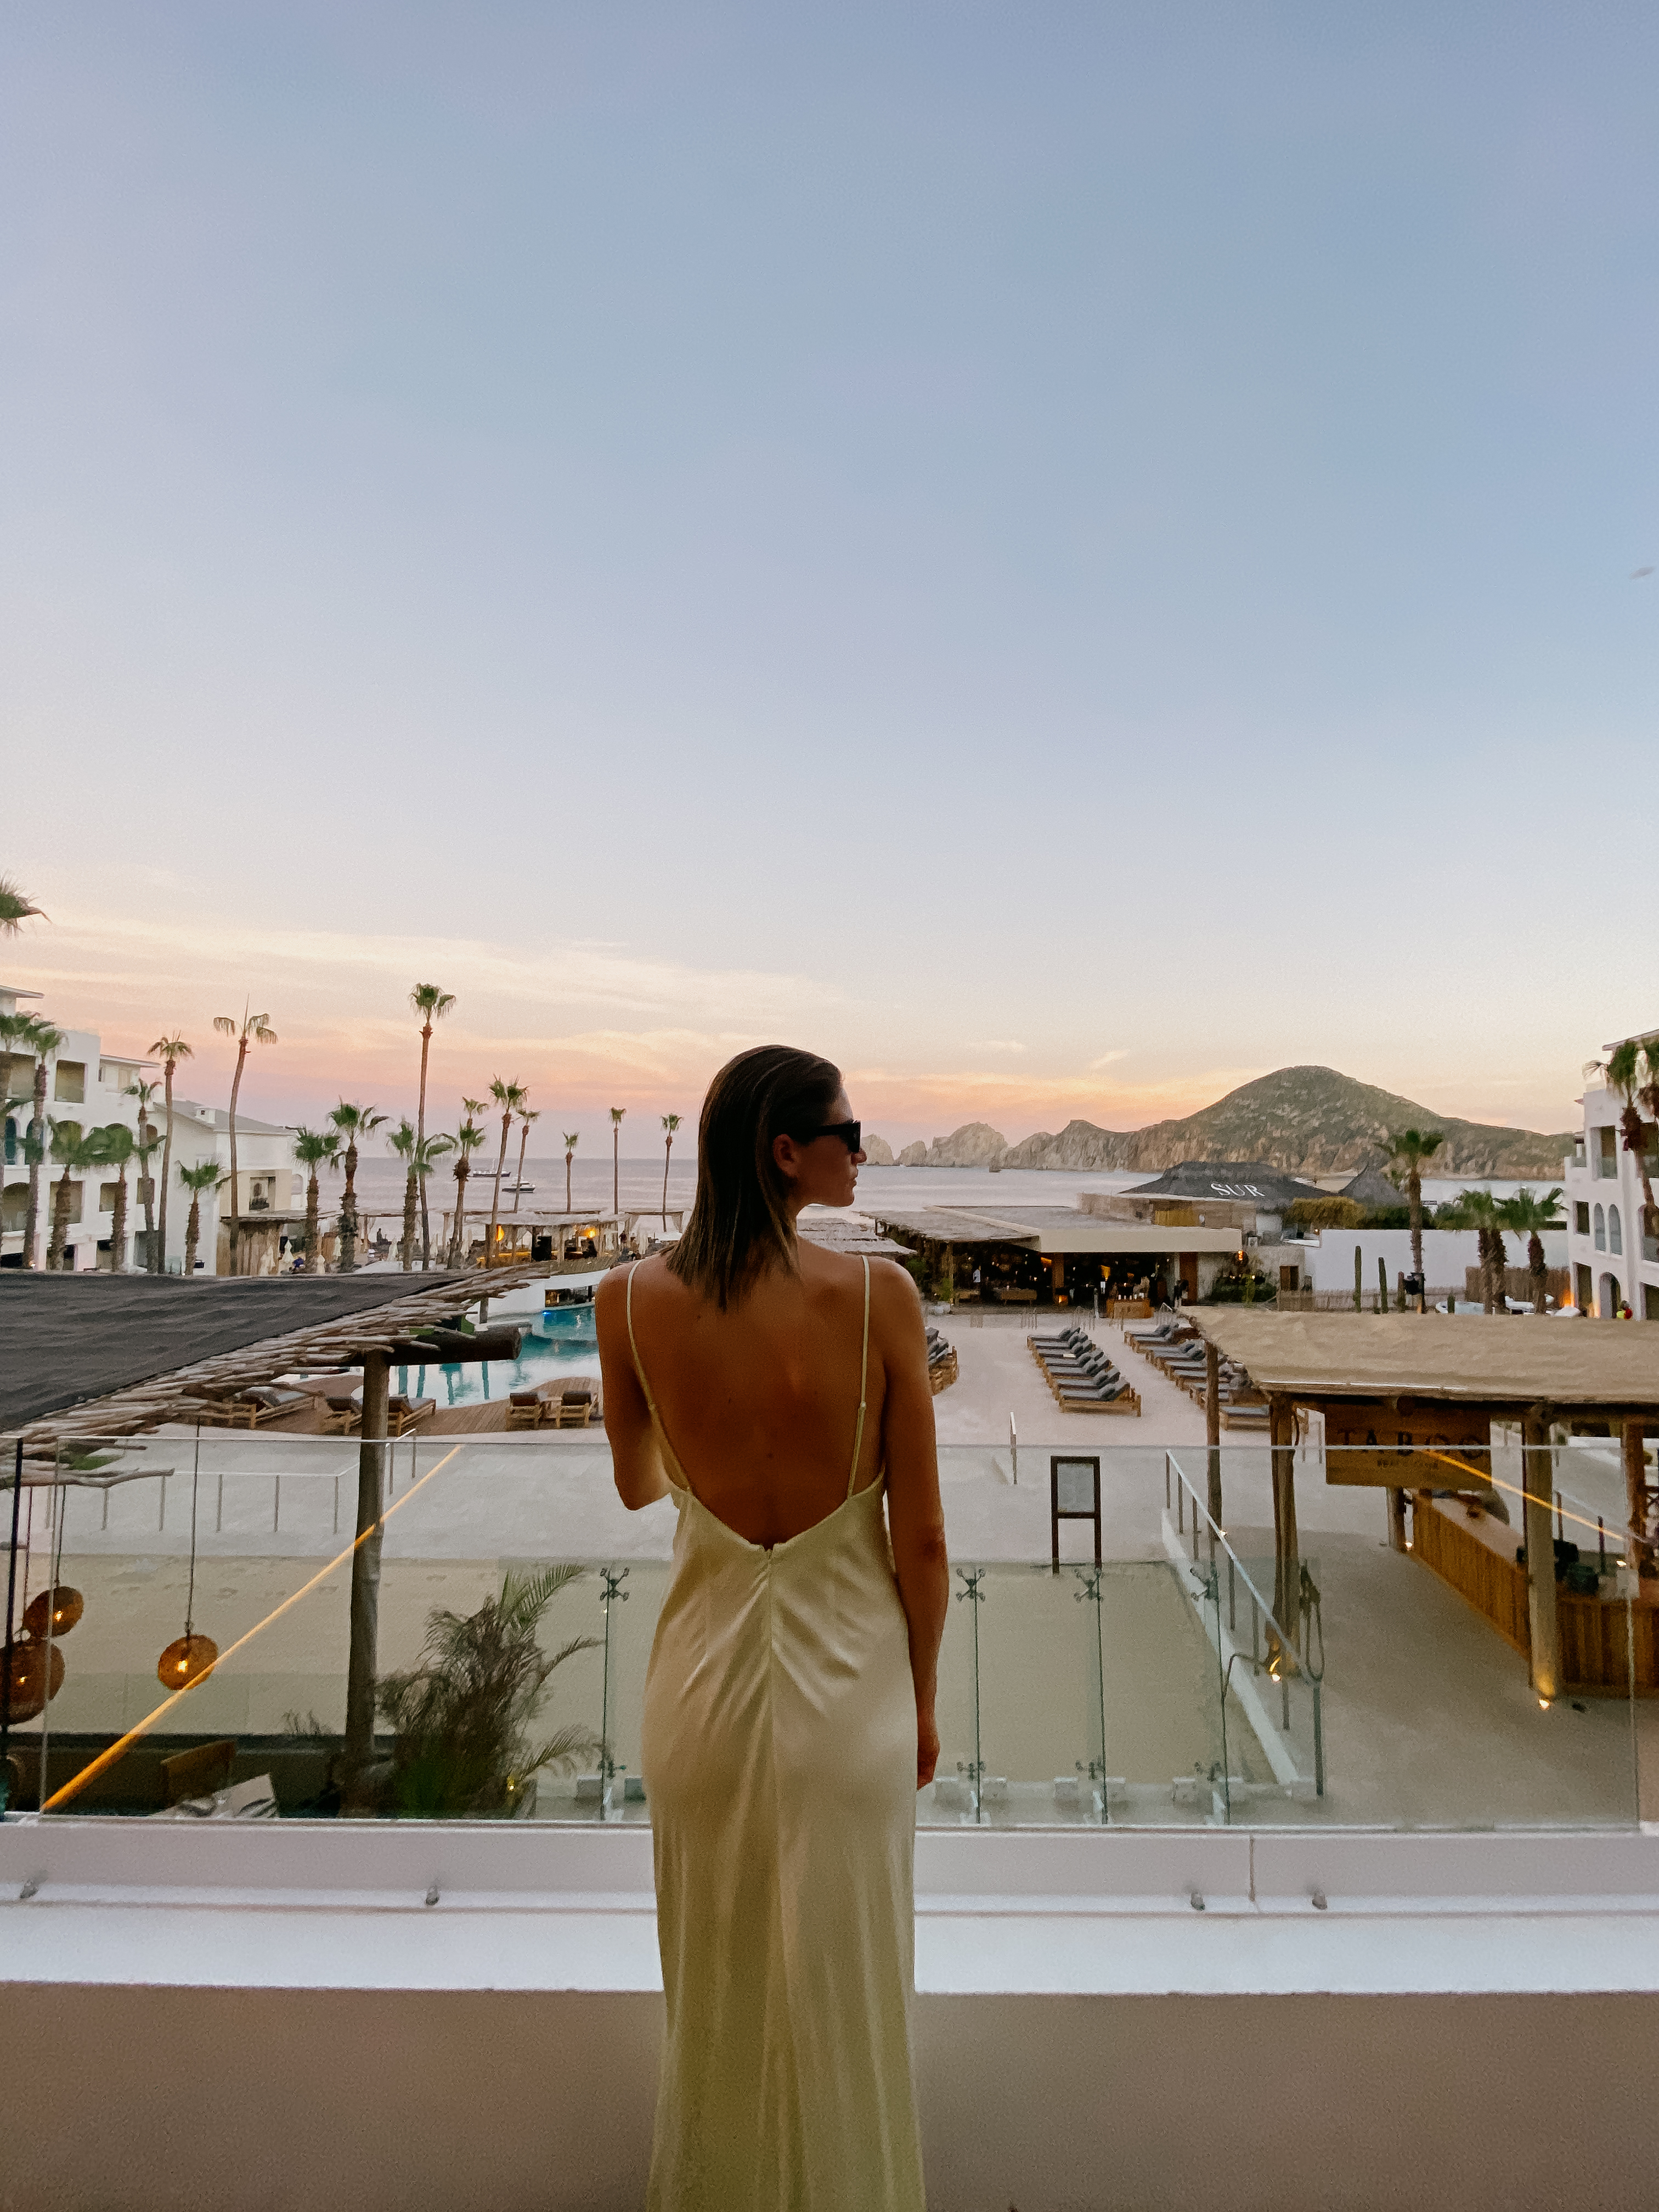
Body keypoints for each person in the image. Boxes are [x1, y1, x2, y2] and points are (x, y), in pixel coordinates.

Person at [597, 1045, 947, 2212]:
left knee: (715, 2003)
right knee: (852, 2007)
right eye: (851, 1132)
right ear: (787, 1151)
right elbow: (925, 1547)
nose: (864, 1152)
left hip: (697, 1695)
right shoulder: (881, 1301)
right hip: (857, 1702)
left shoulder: (624, 1305)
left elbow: (643, 1485)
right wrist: (928, 1703)